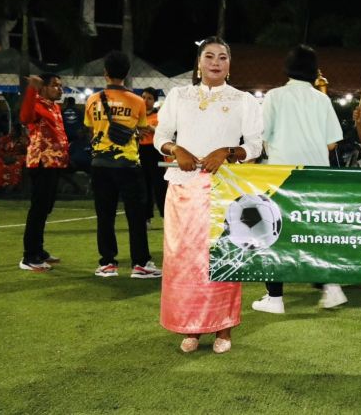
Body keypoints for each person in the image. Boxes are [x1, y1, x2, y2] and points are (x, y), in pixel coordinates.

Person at [154, 36, 263, 354]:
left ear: (230, 65)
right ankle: (191, 328)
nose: (216, 62)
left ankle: (223, 329)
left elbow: (255, 144)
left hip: (224, 188)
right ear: (199, 63)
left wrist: (229, 151)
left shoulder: (244, 100)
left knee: (223, 257)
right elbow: (161, 135)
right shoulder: (178, 96)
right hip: (183, 186)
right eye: (210, 56)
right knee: (185, 260)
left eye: (223, 57)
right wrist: (176, 149)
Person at [251, 44, 346, 315]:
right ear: (314, 71)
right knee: (316, 231)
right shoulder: (321, 99)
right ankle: (331, 286)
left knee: (274, 233)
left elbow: (262, 136)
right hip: (316, 175)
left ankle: (275, 297)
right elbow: (332, 144)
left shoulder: (274, 96)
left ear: (287, 68)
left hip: (281, 173)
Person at [84, 51, 161, 279]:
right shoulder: (137, 101)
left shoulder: (92, 100)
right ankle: (140, 264)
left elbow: (91, 129)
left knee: (104, 215)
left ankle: (107, 263)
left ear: (105, 72)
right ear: (127, 73)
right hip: (128, 164)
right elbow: (140, 129)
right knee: (136, 216)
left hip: (100, 163)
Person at [18, 74, 69, 271]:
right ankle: (29, 257)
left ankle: (38, 251)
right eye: (55, 86)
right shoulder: (37, 103)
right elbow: (25, 118)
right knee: (38, 210)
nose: (60, 89)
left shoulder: (53, 106)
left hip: (54, 164)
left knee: (45, 209)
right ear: (44, 88)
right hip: (41, 163)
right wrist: (31, 89)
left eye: (60, 86)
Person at [138, 87, 167, 228]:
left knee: (159, 186)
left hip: (155, 151)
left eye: (149, 98)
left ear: (154, 100)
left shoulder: (159, 116)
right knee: (144, 186)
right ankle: (146, 218)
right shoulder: (137, 116)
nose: (145, 100)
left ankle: (165, 217)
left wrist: (150, 128)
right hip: (140, 151)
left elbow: (163, 133)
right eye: (143, 97)